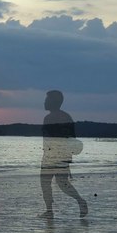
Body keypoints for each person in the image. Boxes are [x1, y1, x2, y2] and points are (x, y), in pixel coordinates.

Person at [40, 90, 87, 218]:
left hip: (51, 156)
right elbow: (72, 138)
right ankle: (80, 201)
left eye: (47, 100)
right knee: (62, 183)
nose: (44, 102)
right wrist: (66, 159)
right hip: (63, 156)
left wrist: (47, 156)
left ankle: (49, 211)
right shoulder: (67, 117)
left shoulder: (49, 118)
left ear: (53, 102)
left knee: (45, 183)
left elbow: (48, 140)